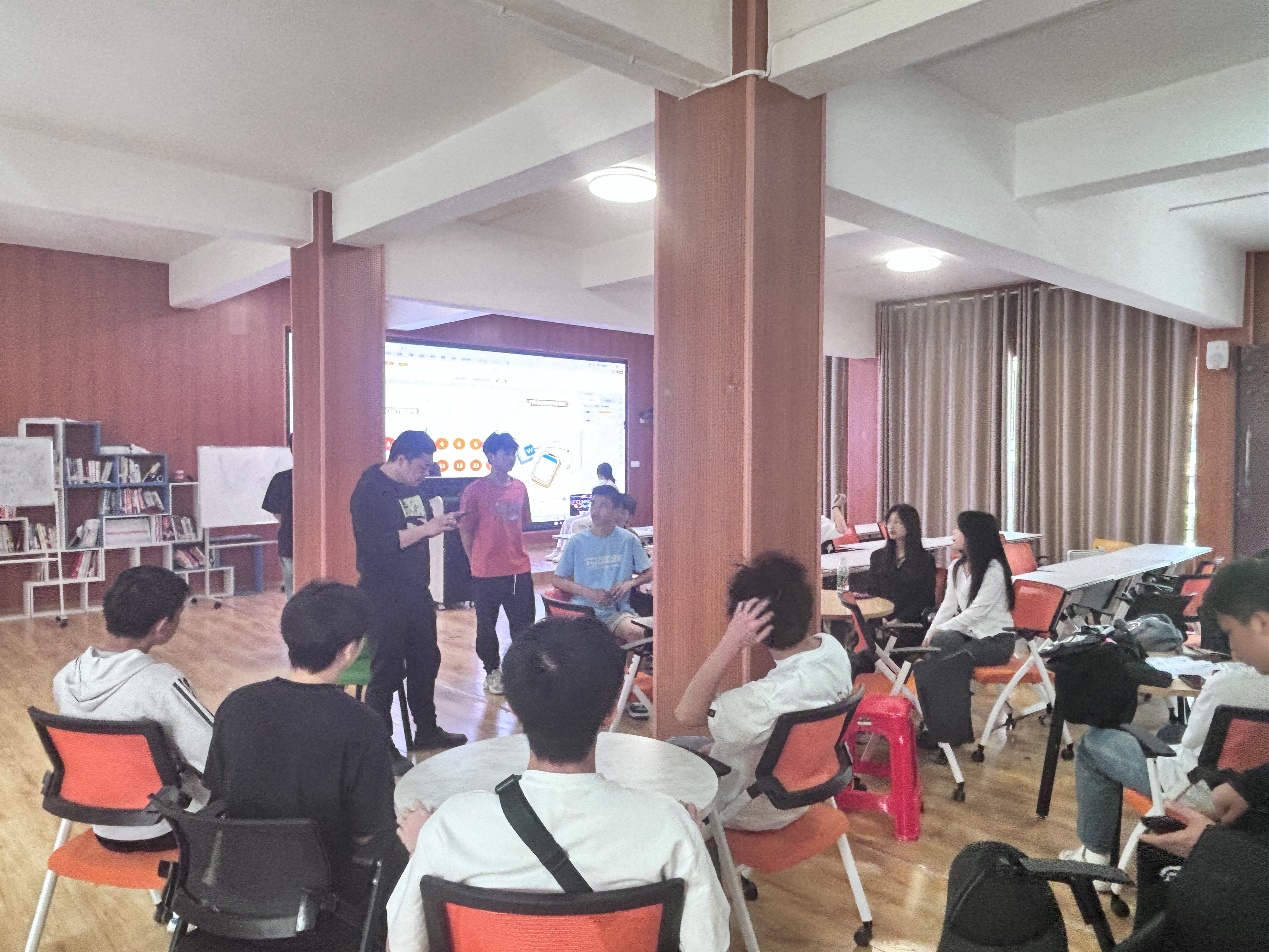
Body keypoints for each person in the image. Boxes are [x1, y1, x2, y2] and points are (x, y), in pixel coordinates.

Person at [386, 615, 730, 952]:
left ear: (514, 709)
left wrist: (423, 851)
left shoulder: (451, 827)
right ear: (611, 711)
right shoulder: (668, 826)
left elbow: (402, 944)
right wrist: (691, 842)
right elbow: (709, 944)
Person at [205, 581, 407, 949]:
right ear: (351, 649)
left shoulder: (237, 705)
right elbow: (368, 834)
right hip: (321, 895)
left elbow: (218, 795)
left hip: (239, 881)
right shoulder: (361, 724)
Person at [1060, 558, 1269, 870]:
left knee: (1094, 744)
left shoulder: (1228, 684)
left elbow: (1192, 748)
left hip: (1202, 790)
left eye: (1229, 632)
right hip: (1247, 794)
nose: (1232, 646)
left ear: (1260, 623)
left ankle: (1094, 857)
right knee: (1170, 732)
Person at [674, 552, 854, 831]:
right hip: (803, 792)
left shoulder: (768, 698)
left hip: (752, 808)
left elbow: (686, 713)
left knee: (673, 746)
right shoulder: (833, 649)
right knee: (702, 743)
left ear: (751, 626)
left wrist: (731, 642)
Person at [52, 565, 211, 851]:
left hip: (102, 821)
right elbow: (215, 756)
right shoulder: (162, 684)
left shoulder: (66, 677)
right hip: (162, 826)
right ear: (162, 626)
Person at [349, 429, 464, 767]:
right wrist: (427, 529)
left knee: (426, 660)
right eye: (421, 467)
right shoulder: (370, 490)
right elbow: (377, 544)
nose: (425, 473)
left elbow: (417, 527)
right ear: (400, 459)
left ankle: (426, 729)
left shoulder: (413, 487)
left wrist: (439, 523)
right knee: (385, 669)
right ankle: (380, 745)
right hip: (383, 591)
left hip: (416, 589)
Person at [458, 432, 535, 697]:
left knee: (524, 626)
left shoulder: (520, 487)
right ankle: (492, 671)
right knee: (486, 627)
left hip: (518, 568)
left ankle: (520, 671)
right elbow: (465, 530)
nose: (510, 458)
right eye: (505, 453)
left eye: (513, 453)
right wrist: (474, 561)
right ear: (491, 456)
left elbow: (523, 522)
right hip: (486, 571)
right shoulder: (475, 490)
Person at [552, 483, 652, 644]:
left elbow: (650, 572)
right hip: (583, 612)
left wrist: (630, 583)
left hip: (616, 612)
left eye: (603, 505)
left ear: (616, 511)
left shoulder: (629, 540)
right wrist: (590, 593)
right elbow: (557, 579)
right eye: (593, 504)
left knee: (636, 633)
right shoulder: (577, 541)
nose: (595, 511)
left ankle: (623, 661)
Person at [865, 503, 937, 624]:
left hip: (909, 621)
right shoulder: (877, 556)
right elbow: (871, 591)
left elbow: (926, 599)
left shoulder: (925, 560)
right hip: (880, 618)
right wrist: (878, 616)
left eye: (897, 522)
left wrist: (900, 619)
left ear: (910, 525)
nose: (891, 526)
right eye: (889, 522)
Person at [262, 434, 294, 599]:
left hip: (288, 541)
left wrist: (289, 522)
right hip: (289, 543)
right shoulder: (281, 479)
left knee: (292, 592)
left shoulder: (280, 479)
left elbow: (276, 513)